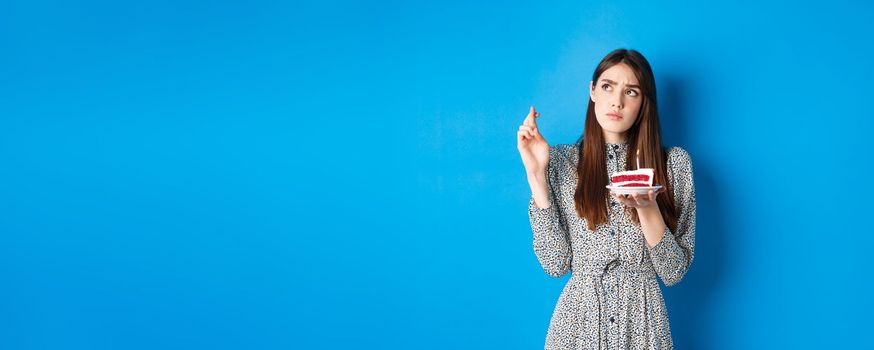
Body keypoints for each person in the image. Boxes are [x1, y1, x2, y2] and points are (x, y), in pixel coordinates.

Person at [516, 48, 696, 349]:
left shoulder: (673, 165)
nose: (617, 101)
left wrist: (648, 207)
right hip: (577, 327)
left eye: (632, 91)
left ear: (644, 102)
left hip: (643, 327)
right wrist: (536, 176)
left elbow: (673, 272)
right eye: (608, 86)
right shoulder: (562, 162)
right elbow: (555, 264)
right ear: (592, 91)